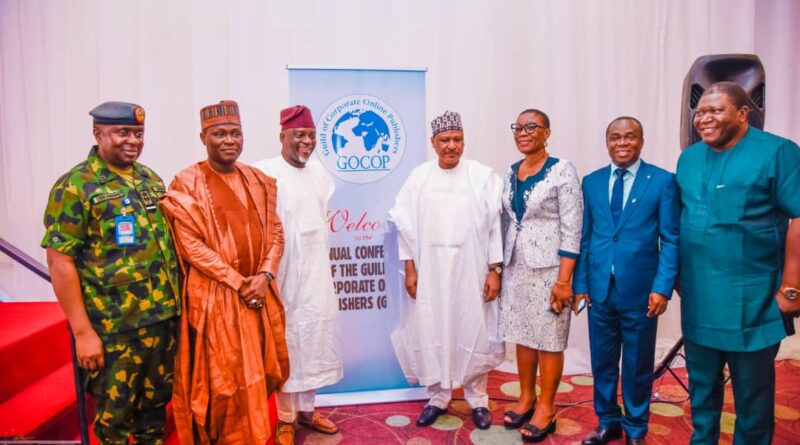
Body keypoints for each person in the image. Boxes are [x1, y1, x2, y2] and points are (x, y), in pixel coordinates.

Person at [41, 101, 180, 444]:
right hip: (114, 331)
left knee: (154, 415)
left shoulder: (149, 179)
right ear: (98, 133)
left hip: (161, 323)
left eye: (138, 133)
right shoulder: (75, 186)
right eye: (122, 133)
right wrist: (83, 332)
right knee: (113, 421)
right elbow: (61, 262)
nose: (132, 140)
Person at [676, 81, 800, 444]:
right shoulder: (689, 157)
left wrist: (792, 288)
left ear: (743, 114)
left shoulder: (777, 152)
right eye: (700, 113)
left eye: (716, 111)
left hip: (753, 302)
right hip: (699, 301)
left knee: (753, 397)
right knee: (701, 389)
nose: (705, 119)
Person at [161, 100, 290, 445]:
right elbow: (190, 244)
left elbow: (276, 232)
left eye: (235, 133)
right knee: (222, 380)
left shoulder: (257, 179)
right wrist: (238, 282)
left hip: (258, 295)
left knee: (258, 374)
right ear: (203, 137)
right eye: (220, 134)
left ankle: (256, 436)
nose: (229, 140)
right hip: (218, 299)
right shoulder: (186, 182)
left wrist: (264, 275)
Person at [389, 110, 505, 431]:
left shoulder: (482, 177)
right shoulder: (419, 177)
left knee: (472, 327)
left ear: (464, 141)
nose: (451, 146)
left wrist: (494, 269)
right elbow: (405, 225)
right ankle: (438, 396)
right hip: (431, 270)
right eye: (445, 140)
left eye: (457, 140)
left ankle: (477, 398)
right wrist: (410, 268)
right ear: (433, 143)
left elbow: (496, 226)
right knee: (432, 327)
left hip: (472, 268)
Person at [573, 117, 679, 445]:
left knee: (636, 363)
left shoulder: (662, 181)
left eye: (629, 137)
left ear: (641, 141)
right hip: (600, 290)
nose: (622, 143)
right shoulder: (591, 182)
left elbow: (671, 239)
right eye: (615, 138)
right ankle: (608, 421)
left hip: (641, 292)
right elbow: (585, 238)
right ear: (607, 143)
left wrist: (662, 287)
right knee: (603, 360)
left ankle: (635, 427)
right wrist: (581, 285)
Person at [253, 105, 343, 445]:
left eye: (310, 136)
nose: (306, 142)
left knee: (316, 336)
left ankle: (308, 409)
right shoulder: (264, 172)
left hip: (317, 272)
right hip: (283, 272)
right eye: (298, 136)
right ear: (282, 137)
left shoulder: (320, 174)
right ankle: (286, 417)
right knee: (288, 341)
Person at [497, 109, 583, 443]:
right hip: (516, 266)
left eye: (531, 127)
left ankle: (546, 406)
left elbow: (572, 227)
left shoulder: (562, 170)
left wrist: (564, 280)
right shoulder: (510, 171)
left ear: (547, 132)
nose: (523, 132)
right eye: (518, 127)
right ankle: (526, 396)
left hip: (551, 270)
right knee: (522, 333)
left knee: (549, 337)